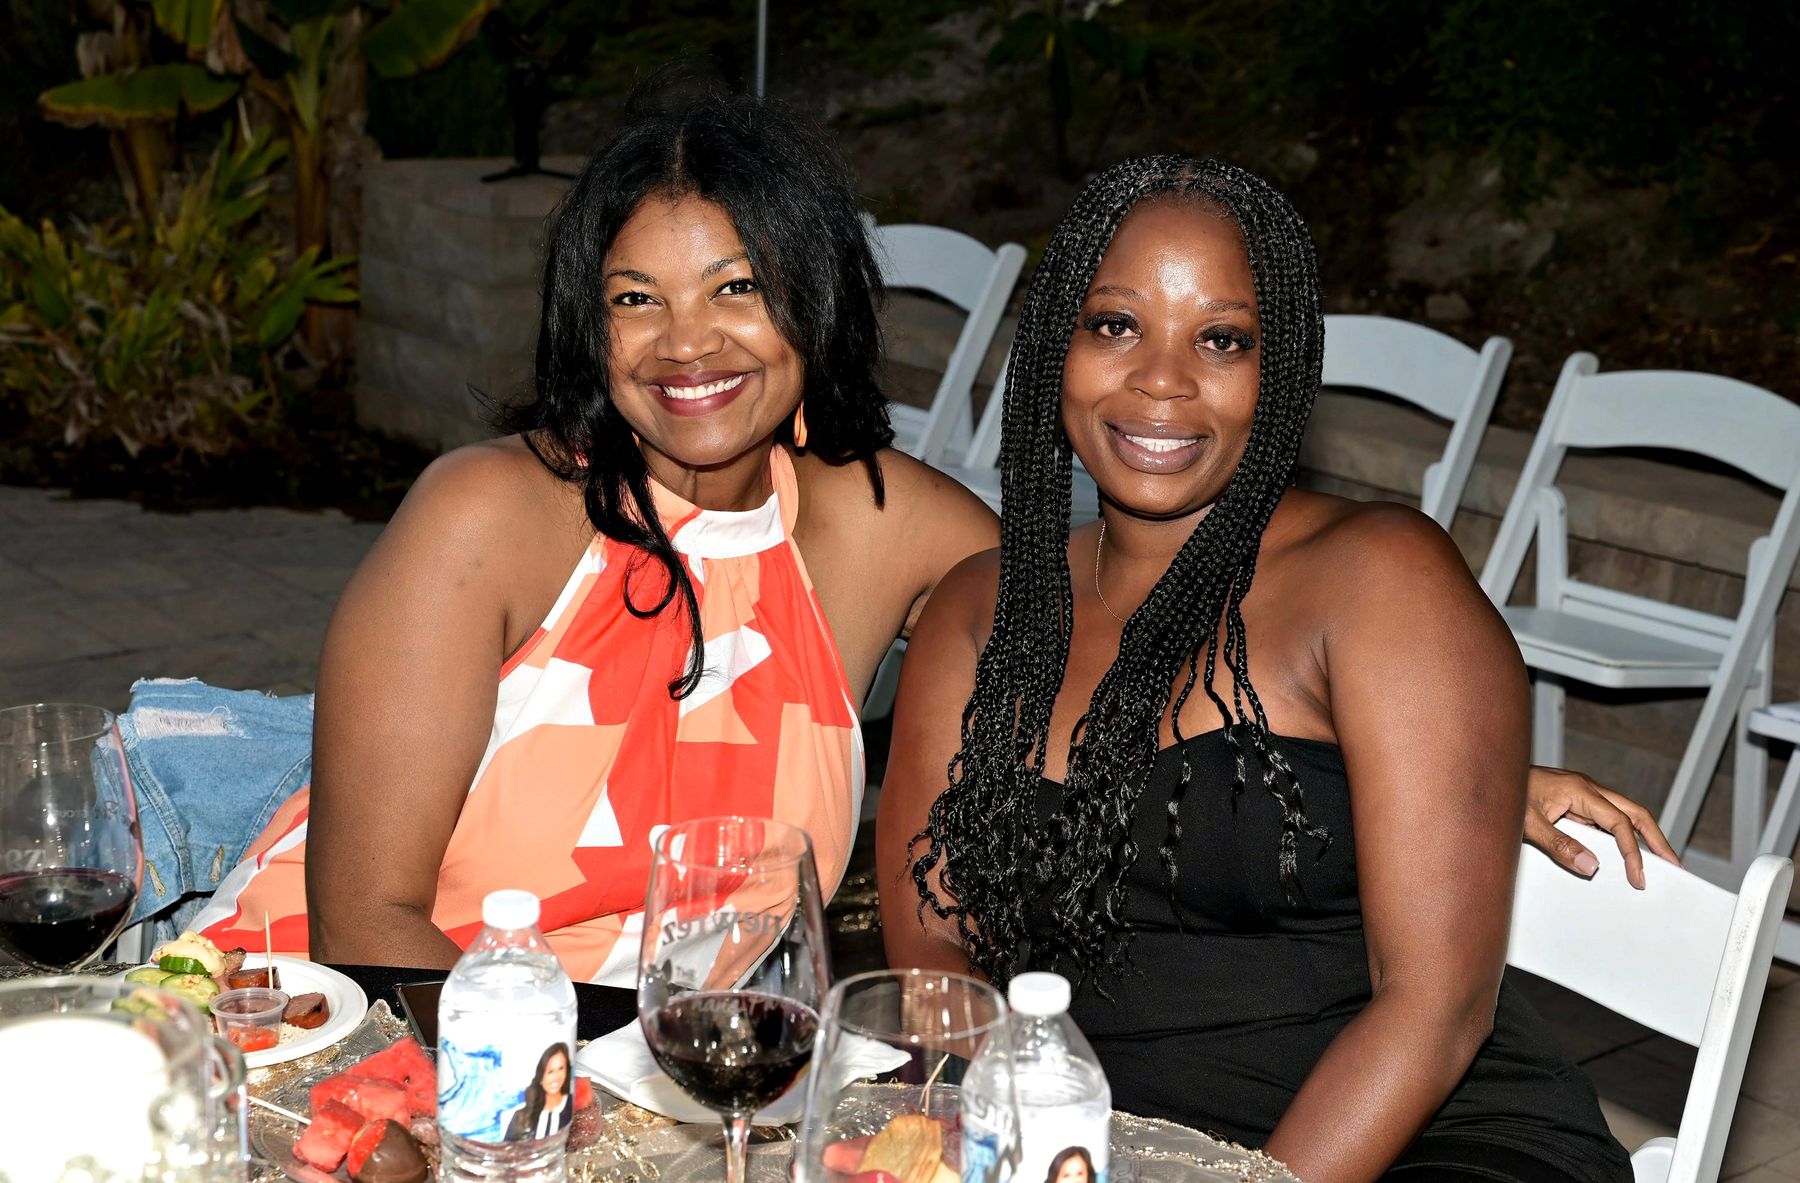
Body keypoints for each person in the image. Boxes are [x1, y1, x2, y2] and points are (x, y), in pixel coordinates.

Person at [184, 88, 1668, 983]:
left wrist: (1440, 758)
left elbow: (1130, 630)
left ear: (814, 304)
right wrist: (556, 1106)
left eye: (737, 290)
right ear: (591, 324)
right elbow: (365, 914)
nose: (687, 345)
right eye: (637, 300)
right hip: (366, 1031)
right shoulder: (490, 515)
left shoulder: (880, 523)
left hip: (686, 1084)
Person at [877, 157, 1638, 1183]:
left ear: (1280, 372)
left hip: (1416, 1148)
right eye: (1115, 324)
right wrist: (1019, 1142)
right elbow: (933, 951)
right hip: (1097, 1147)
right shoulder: (980, 610)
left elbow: (1434, 1010)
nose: (1163, 380)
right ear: (1056, 344)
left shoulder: (1379, 579)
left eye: (1222, 340)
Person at [505, 1043, 574, 1141]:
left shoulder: (573, 1106)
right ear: (540, 1077)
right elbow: (507, 1147)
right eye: (550, 1071)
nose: (556, 1077)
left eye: (561, 1068)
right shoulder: (521, 1117)